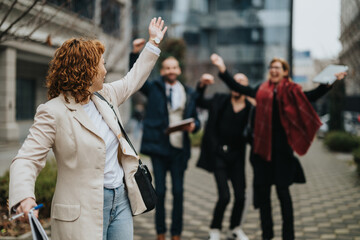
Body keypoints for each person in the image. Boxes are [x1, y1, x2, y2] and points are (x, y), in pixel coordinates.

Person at [8, 17, 167, 240]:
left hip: (120, 201)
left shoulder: (105, 97)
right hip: (81, 210)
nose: (105, 70)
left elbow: (133, 80)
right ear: (86, 70)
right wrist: (24, 197)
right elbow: (27, 158)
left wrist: (153, 43)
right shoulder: (53, 111)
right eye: (101, 64)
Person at [210, 53, 347, 240]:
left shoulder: (293, 91)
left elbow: (312, 96)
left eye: (278, 68)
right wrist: (222, 69)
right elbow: (237, 86)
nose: (274, 70)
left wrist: (331, 81)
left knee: (284, 196)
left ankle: (287, 236)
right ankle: (267, 236)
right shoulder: (260, 90)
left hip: (282, 154)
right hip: (261, 154)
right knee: (264, 200)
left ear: (284, 72)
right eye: (271, 67)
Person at [129, 41, 201, 240]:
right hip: (159, 148)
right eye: (167, 67)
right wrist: (135, 53)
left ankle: (176, 234)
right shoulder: (154, 89)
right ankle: (161, 233)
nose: (171, 70)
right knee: (159, 191)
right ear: (162, 70)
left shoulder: (188, 92)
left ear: (178, 70)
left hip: (179, 149)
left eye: (174, 67)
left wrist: (195, 125)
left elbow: (195, 117)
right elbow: (137, 76)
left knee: (178, 192)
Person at [196, 72, 254, 240]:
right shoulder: (220, 100)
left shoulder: (251, 109)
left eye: (242, 82)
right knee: (224, 196)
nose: (237, 84)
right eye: (235, 81)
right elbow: (200, 101)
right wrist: (202, 85)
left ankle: (235, 228)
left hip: (237, 157)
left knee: (241, 196)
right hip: (219, 155)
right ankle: (215, 228)